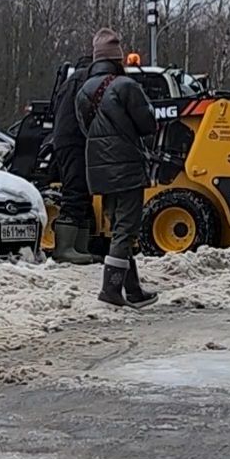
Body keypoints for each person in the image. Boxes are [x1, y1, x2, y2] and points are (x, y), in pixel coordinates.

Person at [76, 28, 158, 307]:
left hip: (98, 166)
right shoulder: (126, 87)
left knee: (118, 227)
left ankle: (132, 289)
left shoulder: (83, 91)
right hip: (126, 165)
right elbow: (148, 125)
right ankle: (110, 290)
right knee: (126, 227)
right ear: (117, 58)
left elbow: (85, 128)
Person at [43, 55, 98, 263]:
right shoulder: (85, 81)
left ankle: (79, 247)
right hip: (75, 140)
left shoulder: (71, 82)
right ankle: (65, 248)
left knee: (82, 191)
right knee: (75, 190)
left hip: (67, 138)